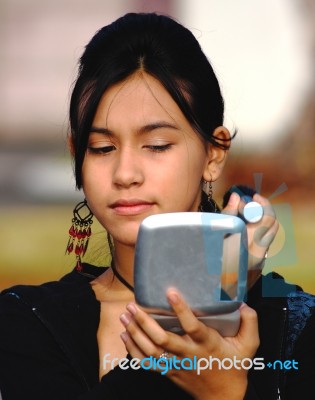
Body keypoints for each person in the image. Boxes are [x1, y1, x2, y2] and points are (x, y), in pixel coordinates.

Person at [0, 12, 314, 400]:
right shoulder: (24, 321)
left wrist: (225, 389)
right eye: (102, 148)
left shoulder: (298, 327)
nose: (125, 173)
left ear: (214, 154)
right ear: (76, 154)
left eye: (157, 145)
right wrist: (201, 305)